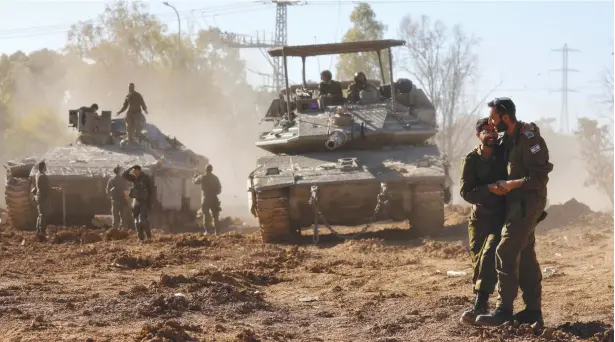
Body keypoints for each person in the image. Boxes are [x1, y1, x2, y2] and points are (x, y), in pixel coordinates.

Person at [476, 97, 553, 327]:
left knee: (506, 250)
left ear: (506, 117)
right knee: (526, 255)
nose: (491, 122)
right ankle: (532, 311)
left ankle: (503, 311)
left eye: (493, 118)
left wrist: (512, 184)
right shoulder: (508, 139)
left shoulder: (529, 139)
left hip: (528, 203)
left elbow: (539, 178)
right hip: (515, 205)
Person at [458, 117, 508, 324]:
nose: (491, 134)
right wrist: (488, 189)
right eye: (486, 130)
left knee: (489, 255)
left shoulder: (504, 154)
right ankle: (480, 303)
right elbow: (466, 192)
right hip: (479, 218)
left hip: (500, 216)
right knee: (478, 259)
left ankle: (481, 303)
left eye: (494, 130)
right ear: (478, 135)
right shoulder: (471, 160)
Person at [122, 165, 155, 241]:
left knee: (142, 220)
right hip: (136, 201)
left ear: (139, 170)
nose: (133, 172)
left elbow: (152, 191)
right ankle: (141, 238)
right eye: (133, 171)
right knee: (136, 222)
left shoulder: (146, 178)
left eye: (134, 171)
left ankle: (149, 236)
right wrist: (129, 168)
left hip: (144, 202)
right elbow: (124, 175)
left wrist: (151, 203)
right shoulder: (134, 178)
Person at [193, 164, 222, 235]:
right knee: (215, 216)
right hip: (214, 198)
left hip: (205, 198)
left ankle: (207, 231)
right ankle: (217, 232)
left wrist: (194, 176)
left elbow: (195, 182)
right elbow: (219, 190)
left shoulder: (202, 177)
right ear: (212, 169)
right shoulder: (215, 178)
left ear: (205, 169)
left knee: (206, 215)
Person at [106, 165, 130, 229]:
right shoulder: (123, 180)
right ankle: (123, 228)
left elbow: (108, 191)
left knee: (115, 216)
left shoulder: (111, 180)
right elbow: (127, 190)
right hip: (121, 200)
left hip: (115, 200)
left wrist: (111, 196)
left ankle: (115, 229)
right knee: (123, 216)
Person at [33, 161, 51, 240]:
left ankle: (38, 231)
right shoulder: (43, 176)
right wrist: (56, 189)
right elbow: (47, 188)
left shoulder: (37, 175)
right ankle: (41, 233)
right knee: (43, 215)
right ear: (43, 168)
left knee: (40, 214)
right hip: (42, 197)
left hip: (38, 196)